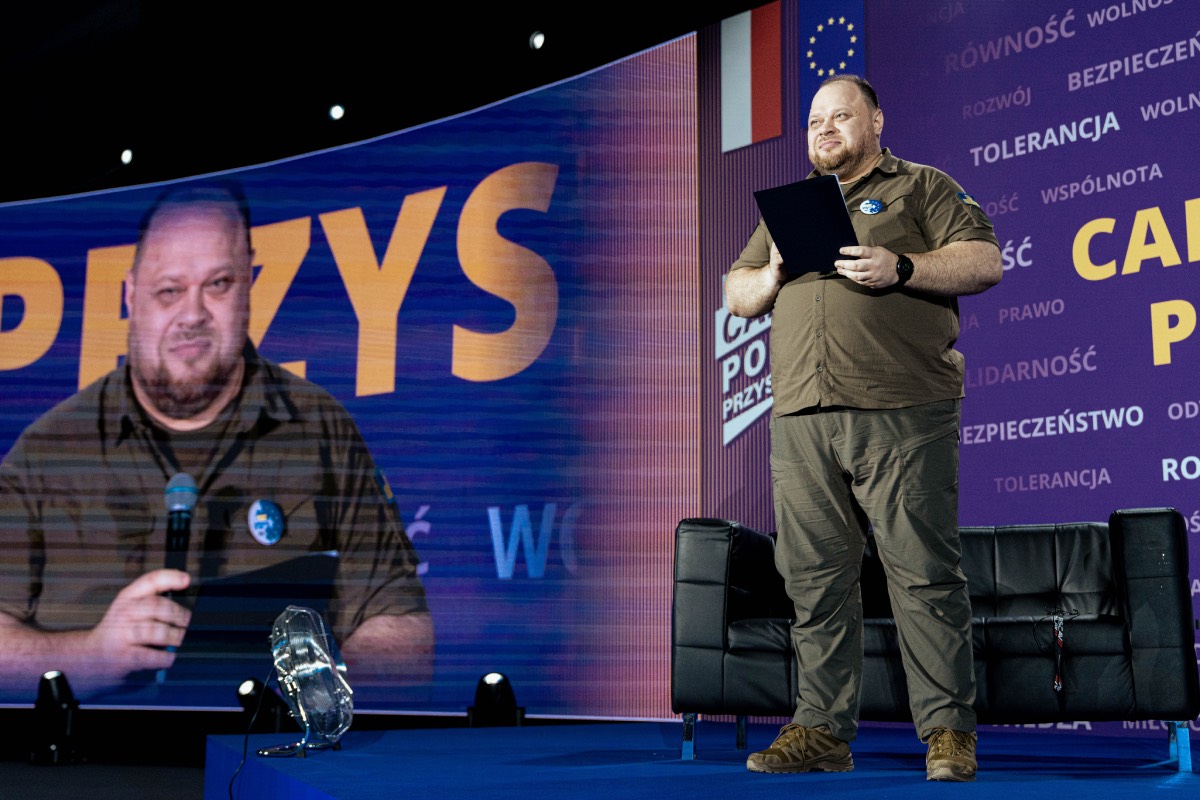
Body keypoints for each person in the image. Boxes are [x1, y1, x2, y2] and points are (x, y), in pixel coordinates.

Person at [0, 181, 434, 702]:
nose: (192, 315)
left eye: (218, 284)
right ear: (131, 296)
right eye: (169, 290)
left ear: (249, 285)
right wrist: (90, 658)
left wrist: (313, 698)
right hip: (89, 749)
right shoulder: (47, 451)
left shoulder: (321, 430)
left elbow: (404, 632)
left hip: (274, 750)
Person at [725, 74, 1001, 782]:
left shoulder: (922, 187)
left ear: (875, 121)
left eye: (841, 116)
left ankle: (948, 732)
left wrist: (900, 265)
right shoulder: (794, 207)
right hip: (802, 415)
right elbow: (738, 291)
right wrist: (773, 273)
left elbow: (983, 261)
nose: (825, 129)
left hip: (902, 408)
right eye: (815, 120)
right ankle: (821, 731)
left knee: (923, 575)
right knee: (813, 580)